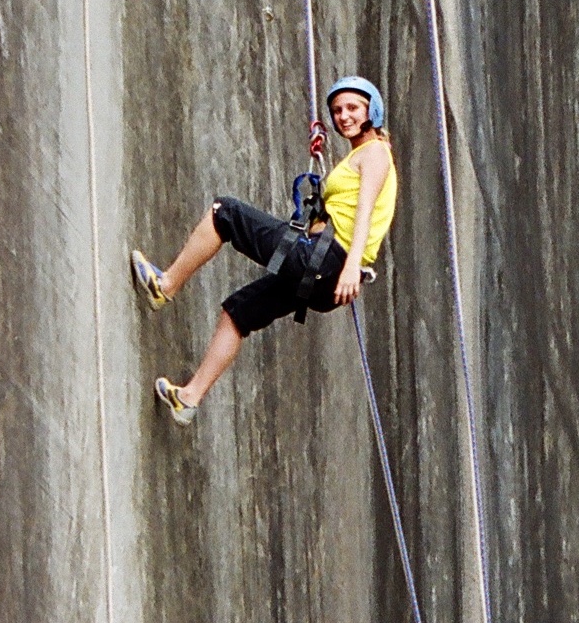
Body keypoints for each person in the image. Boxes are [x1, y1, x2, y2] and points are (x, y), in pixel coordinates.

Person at [131, 76, 398, 423]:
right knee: (238, 313)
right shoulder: (359, 156)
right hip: (323, 276)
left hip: (326, 263)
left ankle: (164, 287)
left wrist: (350, 267)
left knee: (223, 213)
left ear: (371, 111)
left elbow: (364, 210)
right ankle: (188, 398)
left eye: (352, 108)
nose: (343, 116)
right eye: (336, 110)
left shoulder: (375, 152)